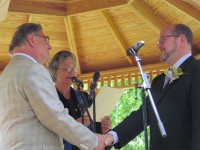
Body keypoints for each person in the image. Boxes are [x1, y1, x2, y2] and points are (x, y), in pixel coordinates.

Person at [0, 23, 106, 150]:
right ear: (32, 39)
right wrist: (93, 141)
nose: (49, 46)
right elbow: (55, 117)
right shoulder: (33, 69)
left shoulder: (6, 74)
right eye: (46, 39)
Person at [105, 24, 200, 149]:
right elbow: (142, 116)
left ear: (181, 40)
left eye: (163, 40)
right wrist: (111, 136)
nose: (158, 45)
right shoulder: (158, 81)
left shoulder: (197, 70)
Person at [48, 50, 112, 150]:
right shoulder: (49, 98)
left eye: (74, 68)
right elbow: (47, 134)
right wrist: (75, 125)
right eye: (67, 68)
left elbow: (97, 133)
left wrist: (104, 130)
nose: (72, 72)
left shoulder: (84, 97)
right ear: (55, 71)